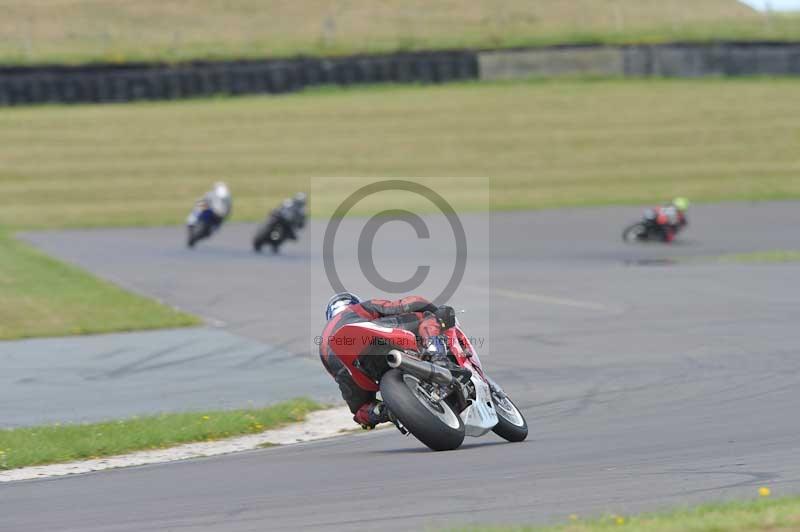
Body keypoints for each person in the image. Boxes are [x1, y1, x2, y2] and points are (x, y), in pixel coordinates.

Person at [319, 292, 451, 429]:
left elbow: (338, 377)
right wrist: (436, 310)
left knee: (361, 409)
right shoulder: (356, 308)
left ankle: (385, 412)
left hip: (346, 364)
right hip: (369, 338)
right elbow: (405, 304)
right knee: (426, 318)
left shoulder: (323, 344)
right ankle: (438, 358)